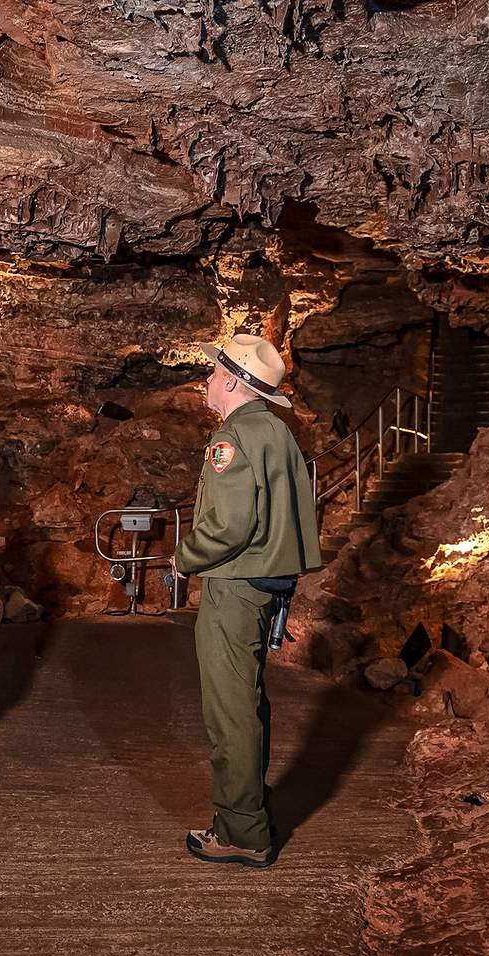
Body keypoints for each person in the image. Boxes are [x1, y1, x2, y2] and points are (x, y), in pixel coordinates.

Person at [172, 333, 321, 869]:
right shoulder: (275, 431)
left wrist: (184, 558)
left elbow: (228, 527)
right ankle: (245, 813)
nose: (208, 381)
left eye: (213, 374)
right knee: (248, 701)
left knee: (230, 710)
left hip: (234, 584)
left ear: (233, 381)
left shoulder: (232, 438)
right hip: (265, 581)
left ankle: (241, 833)